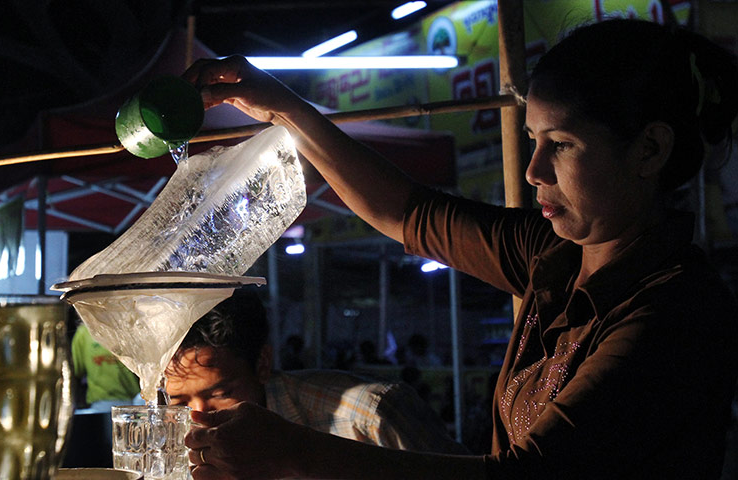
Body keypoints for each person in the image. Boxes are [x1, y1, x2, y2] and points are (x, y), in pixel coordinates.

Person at [181, 18, 738, 479]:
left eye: (562, 145)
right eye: (532, 141)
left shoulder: (674, 312)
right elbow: (407, 212)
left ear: (650, 150)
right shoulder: (553, 255)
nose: (534, 170)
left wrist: (293, 451)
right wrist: (282, 107)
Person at [164, 289, 468, 456]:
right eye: (179, 403)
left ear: (262, 364)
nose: (197, 419)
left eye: (220, 394)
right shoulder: (174, 445)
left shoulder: (368, 418)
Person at [71, 323, 141, 411]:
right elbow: (75, 372)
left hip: (135, 400)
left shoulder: (131, 328)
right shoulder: (83, 333)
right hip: (101, 403)